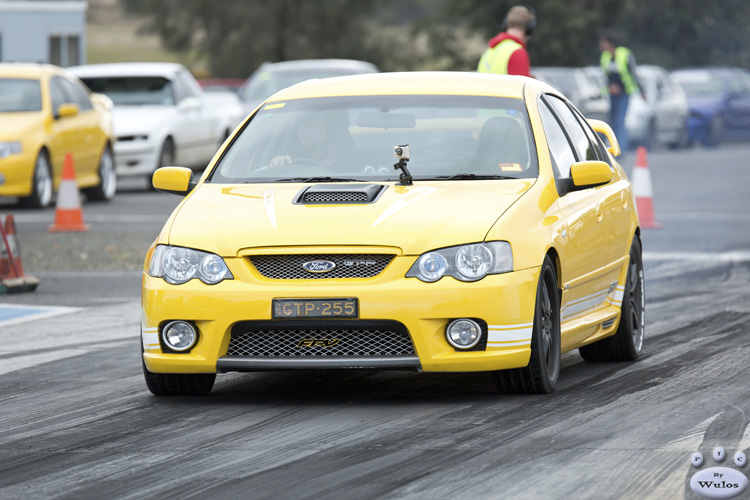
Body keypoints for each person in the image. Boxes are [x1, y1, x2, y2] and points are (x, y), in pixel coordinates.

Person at [599, 32, 644, 152]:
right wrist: (610, 87)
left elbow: (633, 73)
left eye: (603, 43)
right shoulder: (605, 57)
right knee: (612, 122)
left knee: (620, 121)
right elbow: (605, 76)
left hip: (624, 93)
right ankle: (613, 148)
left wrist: (642, 90)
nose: (601, 45)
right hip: (611, 94)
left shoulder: (624, 54)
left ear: (609, 43)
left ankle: (621, 149)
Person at [477, 5, 537, 77]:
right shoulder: (517, 52)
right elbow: (521, 87)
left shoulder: (489, 51)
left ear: (505, 25)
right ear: (529, 29)